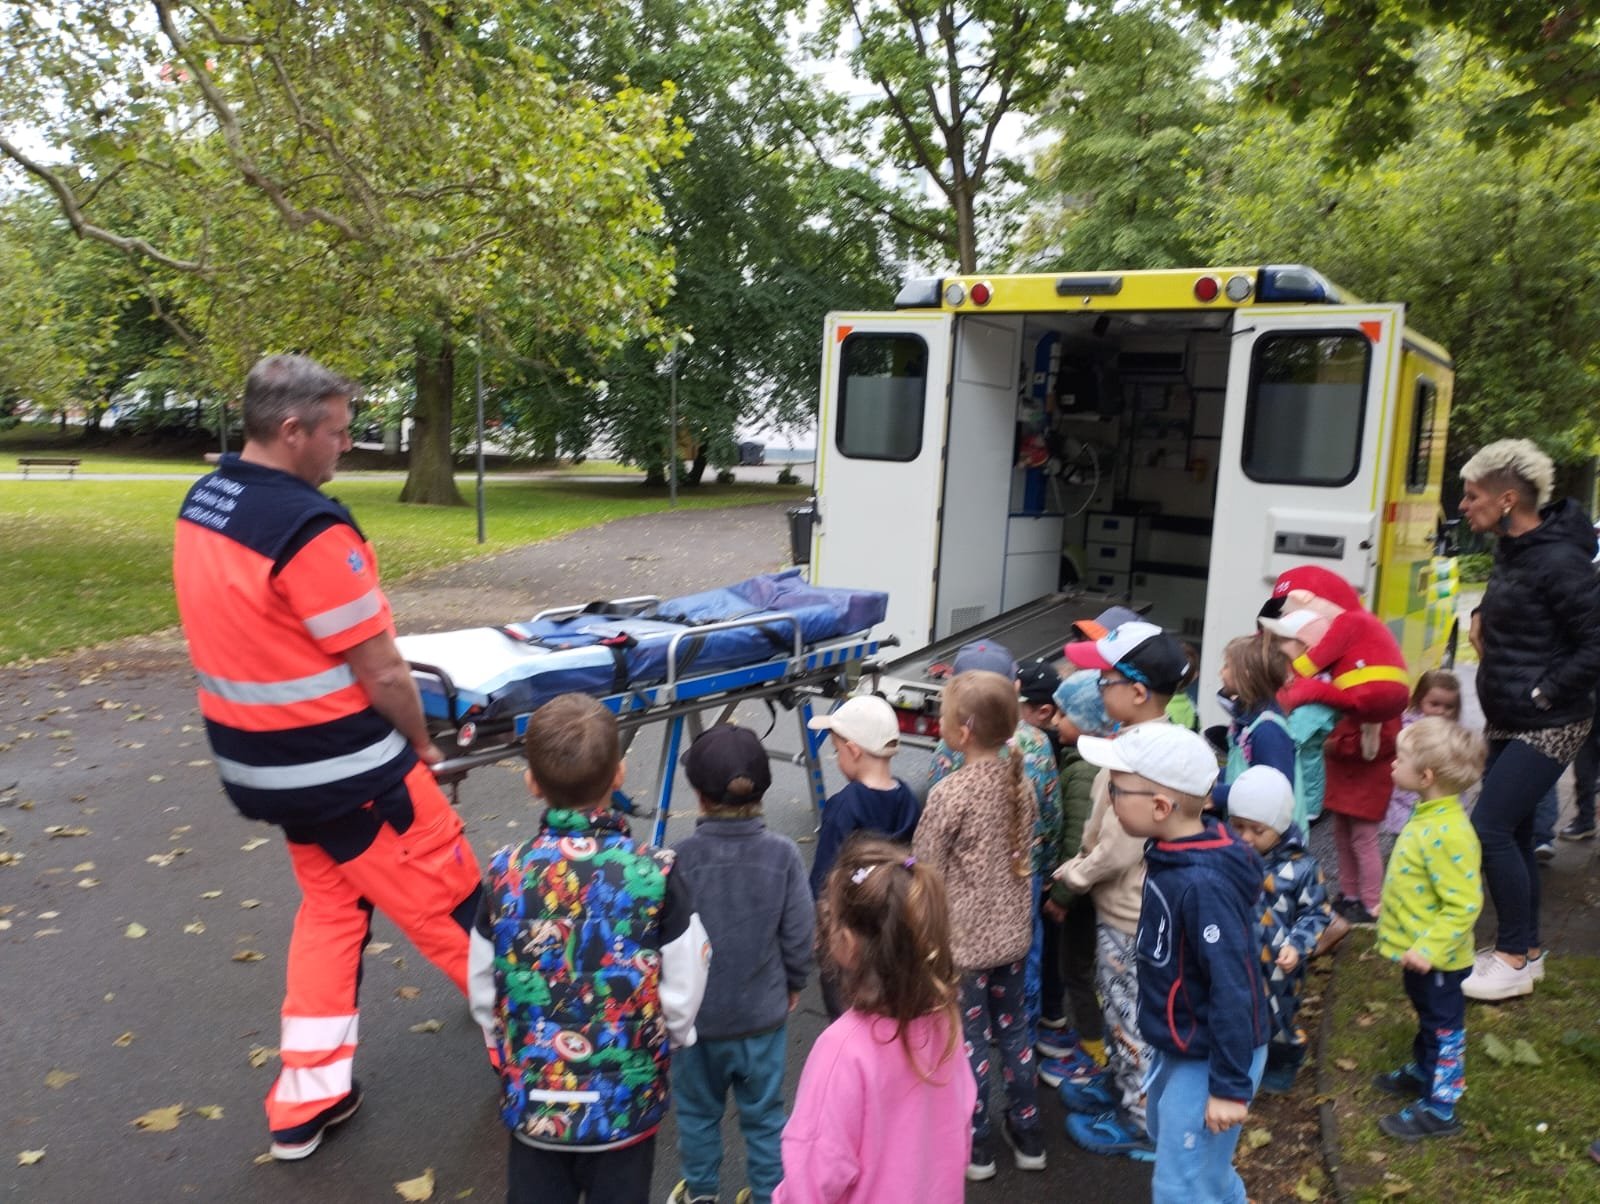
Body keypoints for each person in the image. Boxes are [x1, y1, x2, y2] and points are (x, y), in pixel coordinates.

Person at [172, 354, 487, 1159]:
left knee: (333, 912)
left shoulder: (207, 499)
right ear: (292, 430)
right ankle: (547, 1057)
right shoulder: (308, 529)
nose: (346, 445)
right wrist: (422, 745)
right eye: (339, 433)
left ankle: (306, 1101)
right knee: (455, 906)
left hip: (266, 772)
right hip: (350, 772)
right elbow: (382, 670)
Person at [468, 694, 709, 1204]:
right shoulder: (656, 872)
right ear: (619, 775)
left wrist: (504, 1045)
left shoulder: (505, 873)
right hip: (625, 1102)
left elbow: (483, 985)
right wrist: (665, 1040)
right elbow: (686, 980)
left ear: (531, 782)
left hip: (535, 1098)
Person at [1077, 723, 1268, 1204]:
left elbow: (1234, 986)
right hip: (1182, 1043)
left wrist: (1229, 1087)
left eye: (1116, 790)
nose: (1110, 798)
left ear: (1161, 807)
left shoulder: (1203, 884)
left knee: (1180, 1184)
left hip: (1212, 1054)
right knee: (1189, 1157)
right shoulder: (1172, 854)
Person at [1457, 439, 1600, 1001]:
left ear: (1507, 499)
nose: (1464, 505)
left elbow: (1595, 643)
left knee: (1488, 827)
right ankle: (1529, 951)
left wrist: (1545, 692)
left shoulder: (1560, 559)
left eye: (1472, 495)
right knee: (1512, 831)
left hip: (1549, 721)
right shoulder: (1514, 549)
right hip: (1508, 716)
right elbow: (1522, 606)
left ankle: (1512, 958)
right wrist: (1480, 612)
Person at [1054, 620, 1195, 1161]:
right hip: (1137, 910)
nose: (1098, 688)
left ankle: (1140, 1121)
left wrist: (1075, 874)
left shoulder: (1138, 760)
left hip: (1128, 915)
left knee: (1128, 1015)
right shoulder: (1155, 741)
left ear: (1137, 692)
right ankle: (1122, 1086)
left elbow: (1118, 847)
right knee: (1124, 1008)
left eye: (1104, 680)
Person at [773, 837, 976, 1204]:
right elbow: (960, 1122)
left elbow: (812, 1177)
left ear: (848, 945)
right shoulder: (947, 1022)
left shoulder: (841, 1050)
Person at [667, 725, 814, 1204]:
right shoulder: (784, 855)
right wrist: (794, 982)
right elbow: (799, 932)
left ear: (698, 794)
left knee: (697, 1115)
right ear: (762, 790)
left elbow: (665, 941)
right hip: (761, 1019)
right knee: (766, 1116)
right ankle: (772, 1193)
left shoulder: (678, 860)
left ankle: (701, 1193)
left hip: (696, 1022)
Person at [913, 670, 1044, 1179]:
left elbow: (925, 867)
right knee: (1013, 1034)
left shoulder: (949, 793)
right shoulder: (1021, 785)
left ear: (963, 730)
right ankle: (1029, 1135)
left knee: (968, 1042)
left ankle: (976, 1145)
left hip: (963, 946)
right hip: (1012, 938)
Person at [929, 640, 1061, 1068]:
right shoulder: (1036, 744)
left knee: (967, 1016)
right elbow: (1051, 815)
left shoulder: (949, 754)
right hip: (1021, 879)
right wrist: (1048, 870)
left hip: (965, 899)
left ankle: (975, 1104)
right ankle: (1025, 1069)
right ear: (1014, 690)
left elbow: (932, 848)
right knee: (1021, 979)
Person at [1372, 716, 1486, 1140]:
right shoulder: (1430, 815)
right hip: (1420, 957)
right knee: (1429, 1018)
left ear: (1426, 776)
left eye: (1400, 758)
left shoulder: (1450, 832)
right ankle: (1425, 1069)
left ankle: (1441, 1108)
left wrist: (1430, 949)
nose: (1392, 764)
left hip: (1437, 960)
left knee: (1444, 1029)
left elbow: (1464, 904)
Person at [1264, 608, 1393, 925]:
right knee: (1342, 838)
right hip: (1344, 780)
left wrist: (1336, 746)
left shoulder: (1368, 690)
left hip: (1365, 782)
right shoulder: (1331, 683)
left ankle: (1371, 903)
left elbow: (1383, 740)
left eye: (1284, 641)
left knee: (1364, 841)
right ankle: (1348, 895)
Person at [806, 694, 920, 1018]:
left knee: (846, 995)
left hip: (852, 919)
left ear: (853, 750)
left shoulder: (844, 805)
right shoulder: (907, 798)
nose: (837, 758)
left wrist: (819, 925)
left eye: (837, 750)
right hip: (894, 912)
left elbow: (824, 872)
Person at [1225, 765, 1334, 1095]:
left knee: (1279, 1018)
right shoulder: (1231, 856)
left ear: (1280, 825)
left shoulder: (1302, 868)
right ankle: (1240, 1063)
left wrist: (1298, 944)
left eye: (1256, 830)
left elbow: (1316, 912)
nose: (1245, 836)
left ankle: (1284, 1060)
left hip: (1280, 966)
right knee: (1237, 1015)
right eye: (1237, 826)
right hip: (1237, 959)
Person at [1037, 669, 1112, 1083]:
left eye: (1063, 714)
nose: (1054, 720)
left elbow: (1078, 841)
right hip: (1088, 892)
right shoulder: (1080, 761)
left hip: (1080, 896)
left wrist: (1062, 895)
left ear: (1088, 722)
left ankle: (1093, 1053)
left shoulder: (1085, 771)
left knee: (1077, 972)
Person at [1210, 634, 1296, 816]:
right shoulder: (1246, 721)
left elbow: (1275, 790)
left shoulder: (1268, 731)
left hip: (1264, 829)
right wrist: (1209, 777)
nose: (1220, 672)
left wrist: (1217, 795)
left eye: (1227, 666)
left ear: (1246, 675)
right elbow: (1240, 771)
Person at [1381, 671, 1463, 837]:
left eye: (1449, 707)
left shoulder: (1454, 734)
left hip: (1438, 801)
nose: (1441, 711)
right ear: (1419, 700)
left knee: (1434, 839)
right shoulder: (1408, 728)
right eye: (1434, 704)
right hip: (1406, 799)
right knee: (1404, 838)